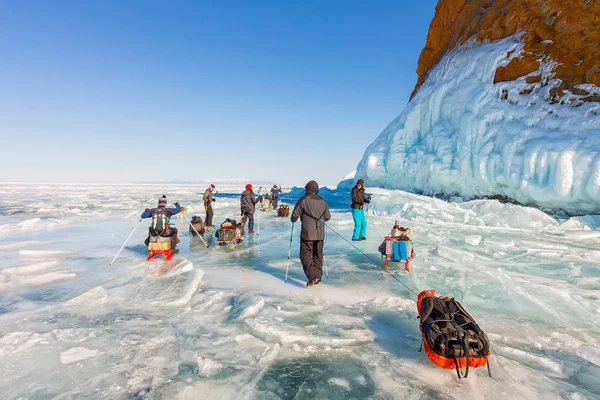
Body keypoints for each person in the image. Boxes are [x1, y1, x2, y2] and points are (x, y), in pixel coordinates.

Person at [291, 180, 331, 286]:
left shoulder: (303, 200)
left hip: (307, 233)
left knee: (305, 255)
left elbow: (295, 215)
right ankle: (317, 275)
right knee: (318, 255)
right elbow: (327, 217)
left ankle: (313, 276)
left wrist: (294, 219)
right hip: (320, 234)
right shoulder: (323, 201)